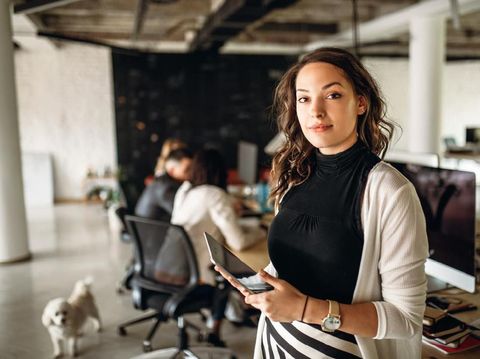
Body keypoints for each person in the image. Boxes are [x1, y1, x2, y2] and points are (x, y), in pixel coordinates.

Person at [216, 47, 429, 359]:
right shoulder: (294, 175)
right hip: (276, 343)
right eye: (304, 98)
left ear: (360, 103)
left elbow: (405, 320)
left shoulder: (390, 190)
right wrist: (261, 284)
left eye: (332, 95)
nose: (315, 110)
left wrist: (304, 308)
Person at [171, 148, 265, 346]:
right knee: (232, 269)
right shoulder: (215, 195)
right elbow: (238, 241)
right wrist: (262, 231)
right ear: (220, 173)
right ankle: (218, 327)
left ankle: (233, 312)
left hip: (171, 267)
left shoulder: (187, 192)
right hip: (196, 275)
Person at [135, 148, 193, 221]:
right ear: (172, 171)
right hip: (154, 231)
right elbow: (183, 215)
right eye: (187, 170)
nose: (191, 173)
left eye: (192, 168)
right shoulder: (166, 188)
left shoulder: (160, 181)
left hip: (145, 229)